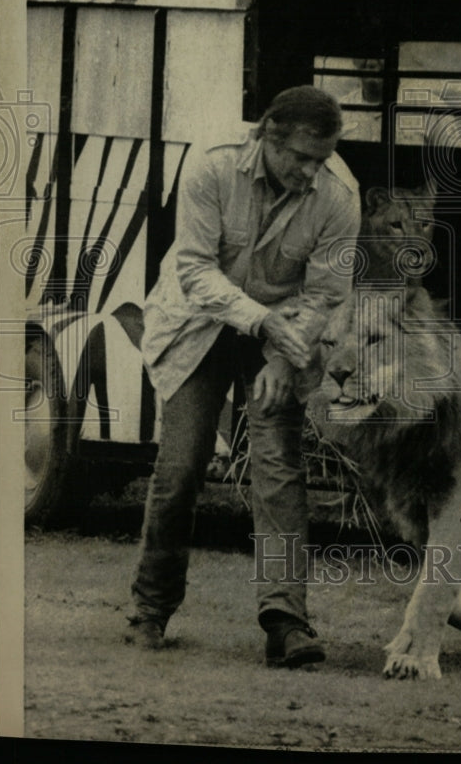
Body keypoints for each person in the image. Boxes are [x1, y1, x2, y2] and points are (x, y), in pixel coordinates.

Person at [125, 86, 361, 667]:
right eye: (301, 158)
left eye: (322, 159)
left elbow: (328, 294)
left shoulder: (340, 195)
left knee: (278, 469)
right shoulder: (211, 166)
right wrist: (262, 327)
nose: (311, 172)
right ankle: (150, 610)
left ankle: (285, 621)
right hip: (198, 324)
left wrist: (283, 357)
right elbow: (194, 270)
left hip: (282, 337)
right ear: (267, 137)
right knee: (181, 465)